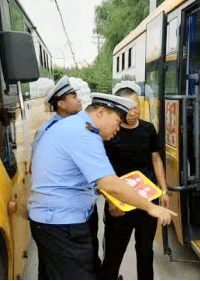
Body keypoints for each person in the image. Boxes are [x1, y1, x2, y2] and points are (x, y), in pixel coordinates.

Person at [28, 93, 176, 280]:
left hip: (55, 221)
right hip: (61, 224)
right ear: (100, 112)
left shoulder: (76, 126)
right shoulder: (83, 134)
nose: (117, 128)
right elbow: (109, 183)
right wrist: (151, 207)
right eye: (116, 121)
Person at [100, 87, 169, 280]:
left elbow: (156, 159)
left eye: (136, 107)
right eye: (128, 109)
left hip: (148, 199)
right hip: (119, 202)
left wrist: (164, 191)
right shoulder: (111, 132)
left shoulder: (148, 129)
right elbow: (101, 171)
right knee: (113, 255)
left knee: (146, 252)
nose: (133, 113)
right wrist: (111, 201)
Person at [31, 75, 81, 158]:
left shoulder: (79, 123)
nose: (79, 99)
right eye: (74, 97)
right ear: (61, 104)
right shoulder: (45, 131)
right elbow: (34, 166)